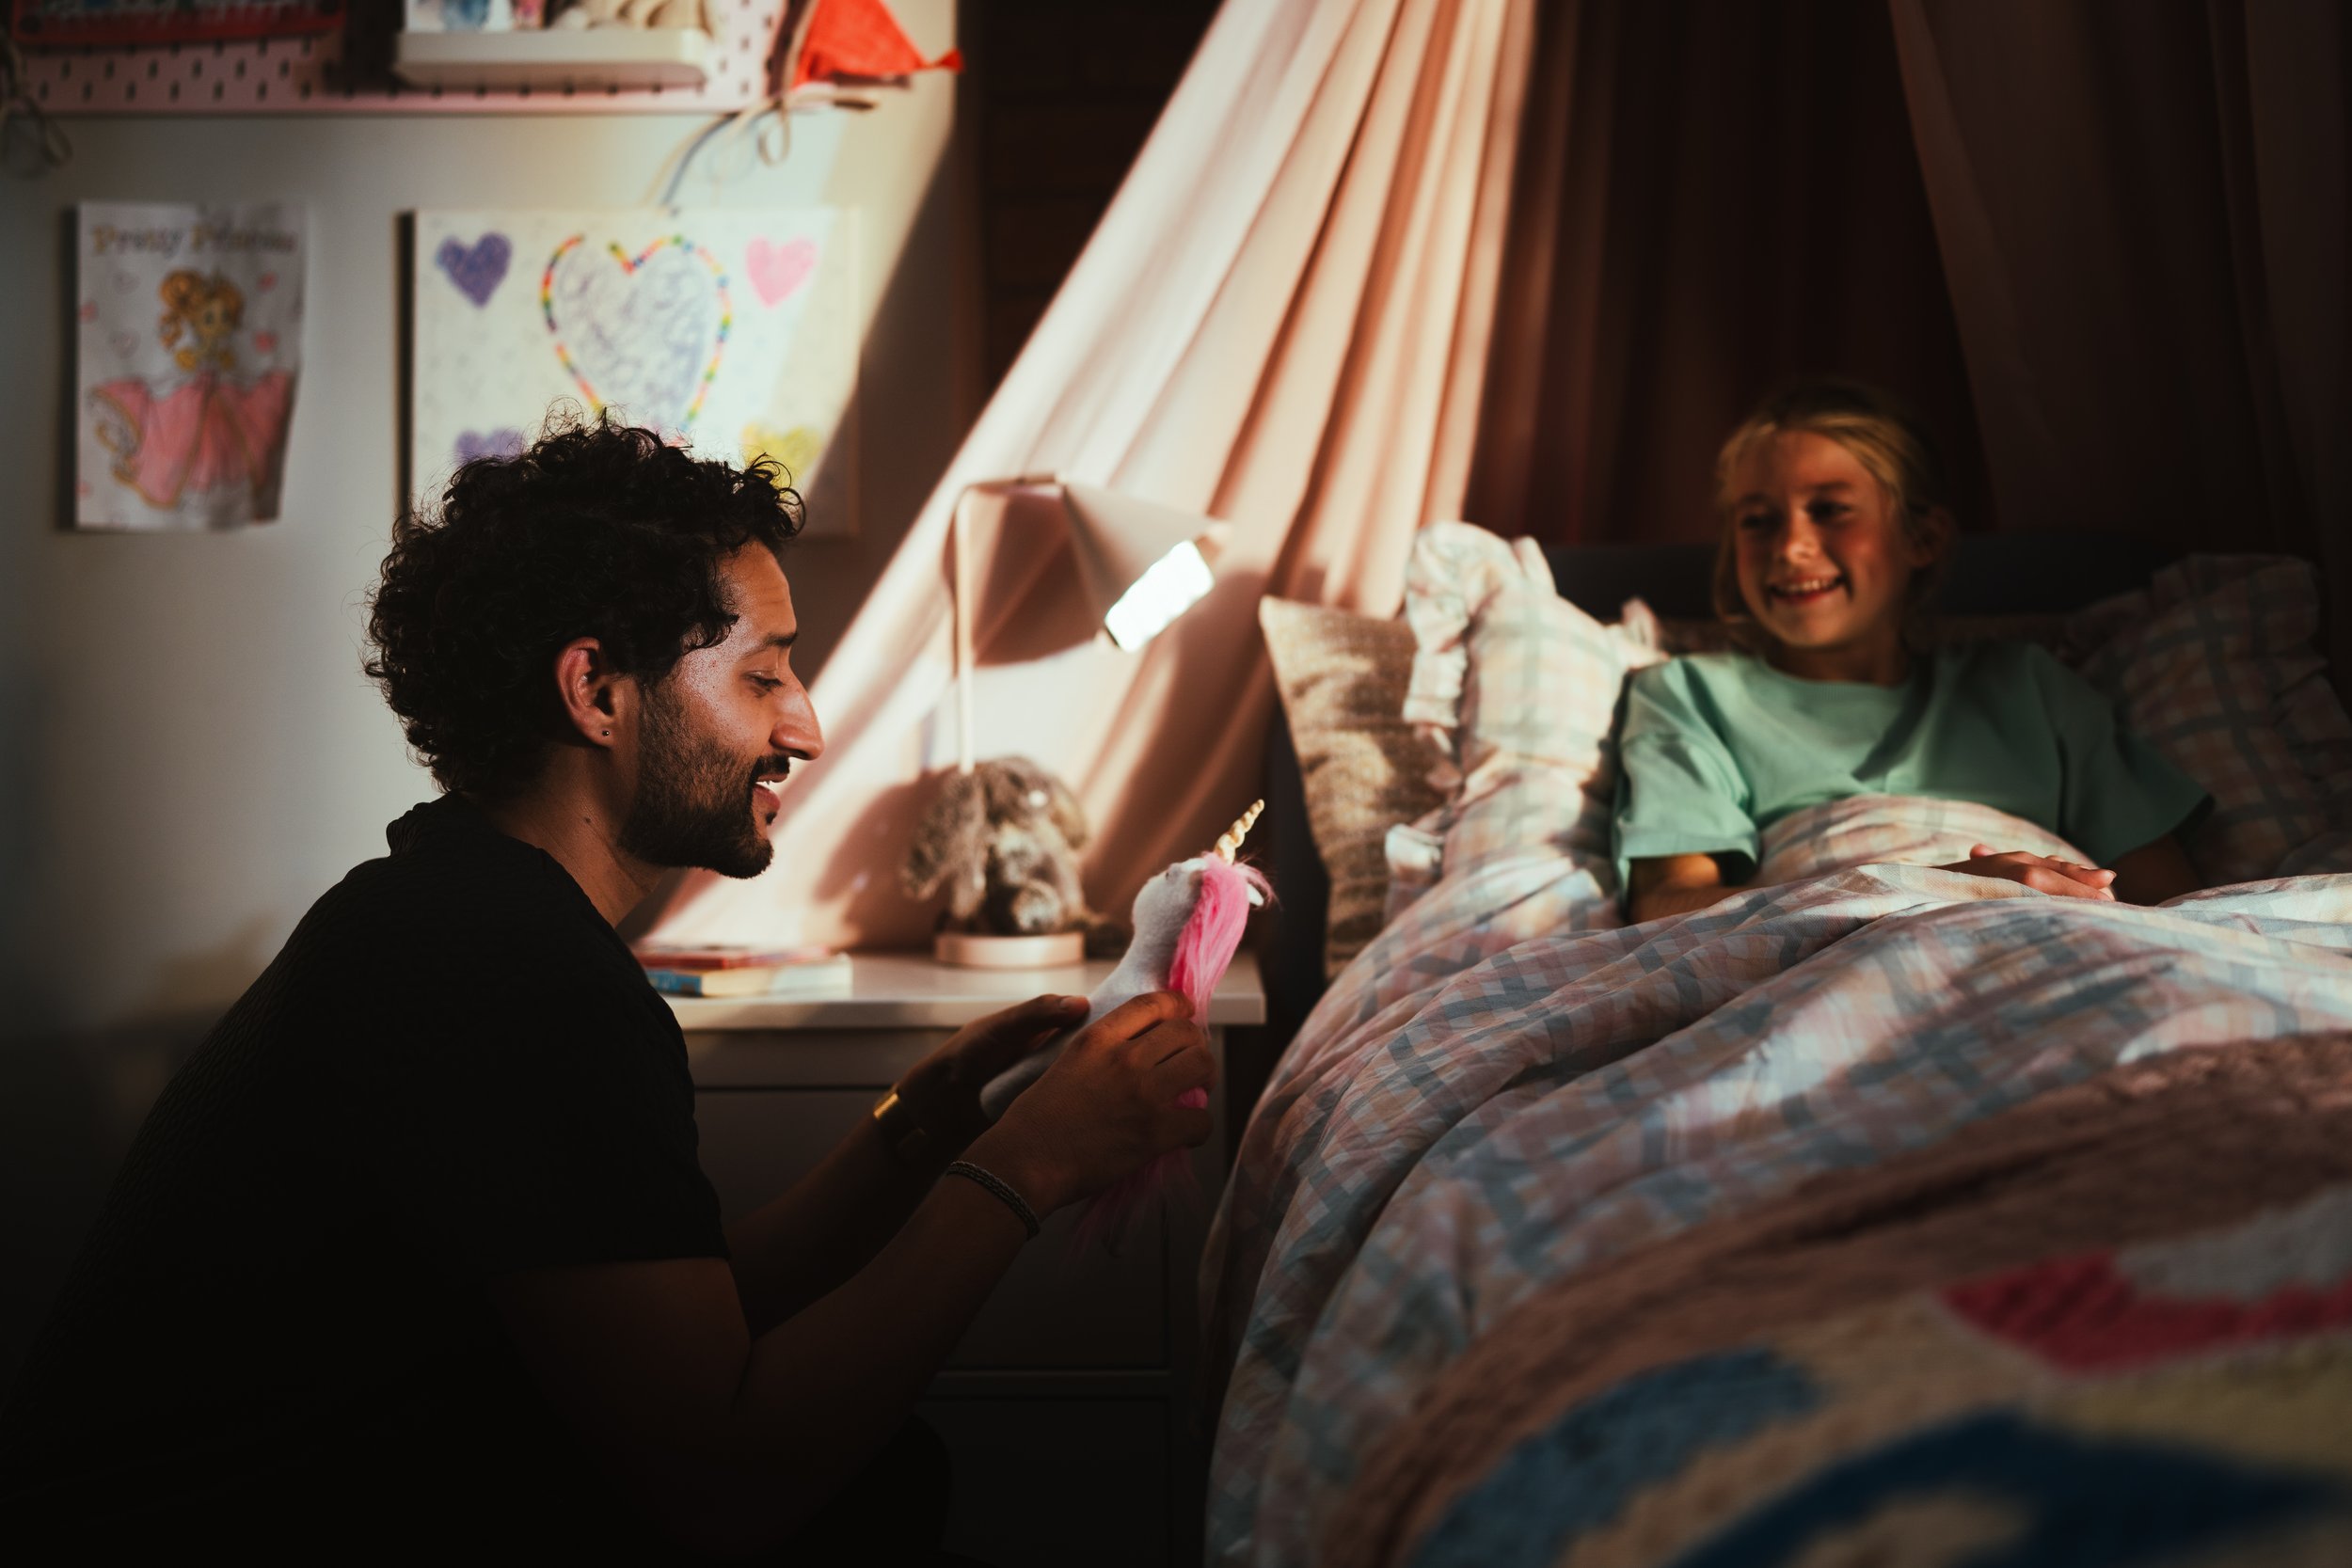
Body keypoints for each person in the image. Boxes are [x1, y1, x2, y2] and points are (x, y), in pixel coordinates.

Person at [0, 417, 1216, 1560]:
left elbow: (674, 1316)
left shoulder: (458, 906)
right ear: (596, 692)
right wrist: (1030, 1165)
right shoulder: (505, 970)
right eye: (762, 676)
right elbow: (727, 1477)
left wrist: (922, 1129)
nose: (808, 724)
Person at [1613, 380, 2210, 925]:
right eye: (1758, 521)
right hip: (1832, 946)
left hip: (2064, 936)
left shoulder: (2031, 688)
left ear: (1921, 538)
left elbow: (2173, 908)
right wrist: (1923, 888)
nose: (1790, 546)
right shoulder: (1691, 695)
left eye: (1829, 510)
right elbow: (1666, 909)